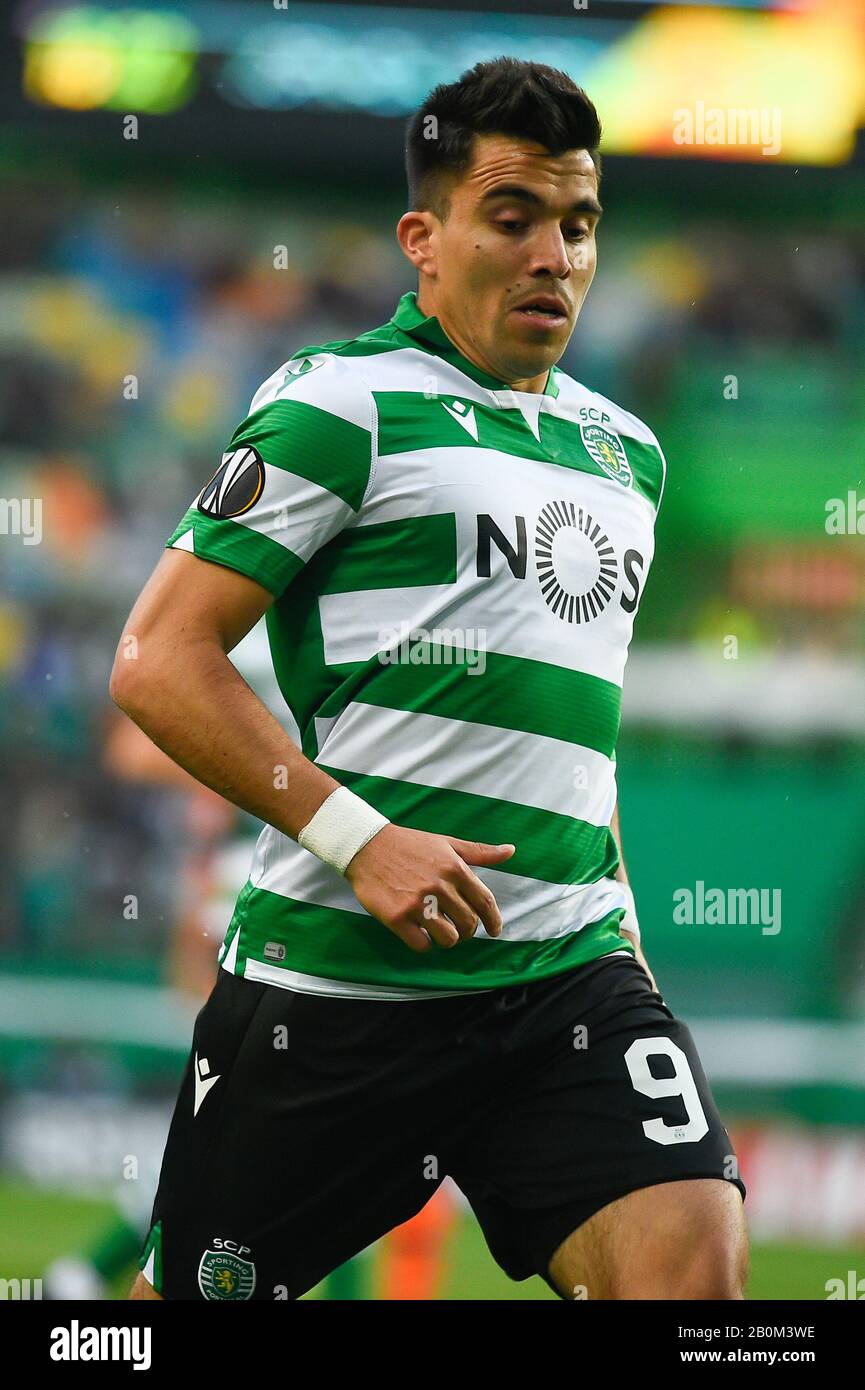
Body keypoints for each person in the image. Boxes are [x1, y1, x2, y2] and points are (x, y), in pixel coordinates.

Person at [112, 57, 748, 1301]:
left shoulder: (629, 455)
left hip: (566, 978)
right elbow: (157, 659)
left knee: (696, 1286)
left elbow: (574, 742)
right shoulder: (336, 406)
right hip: (333, 993)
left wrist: (628, 953)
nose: (552, 254)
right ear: (424, 236)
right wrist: (363, 840)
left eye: (577, 224)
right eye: (511, 219)